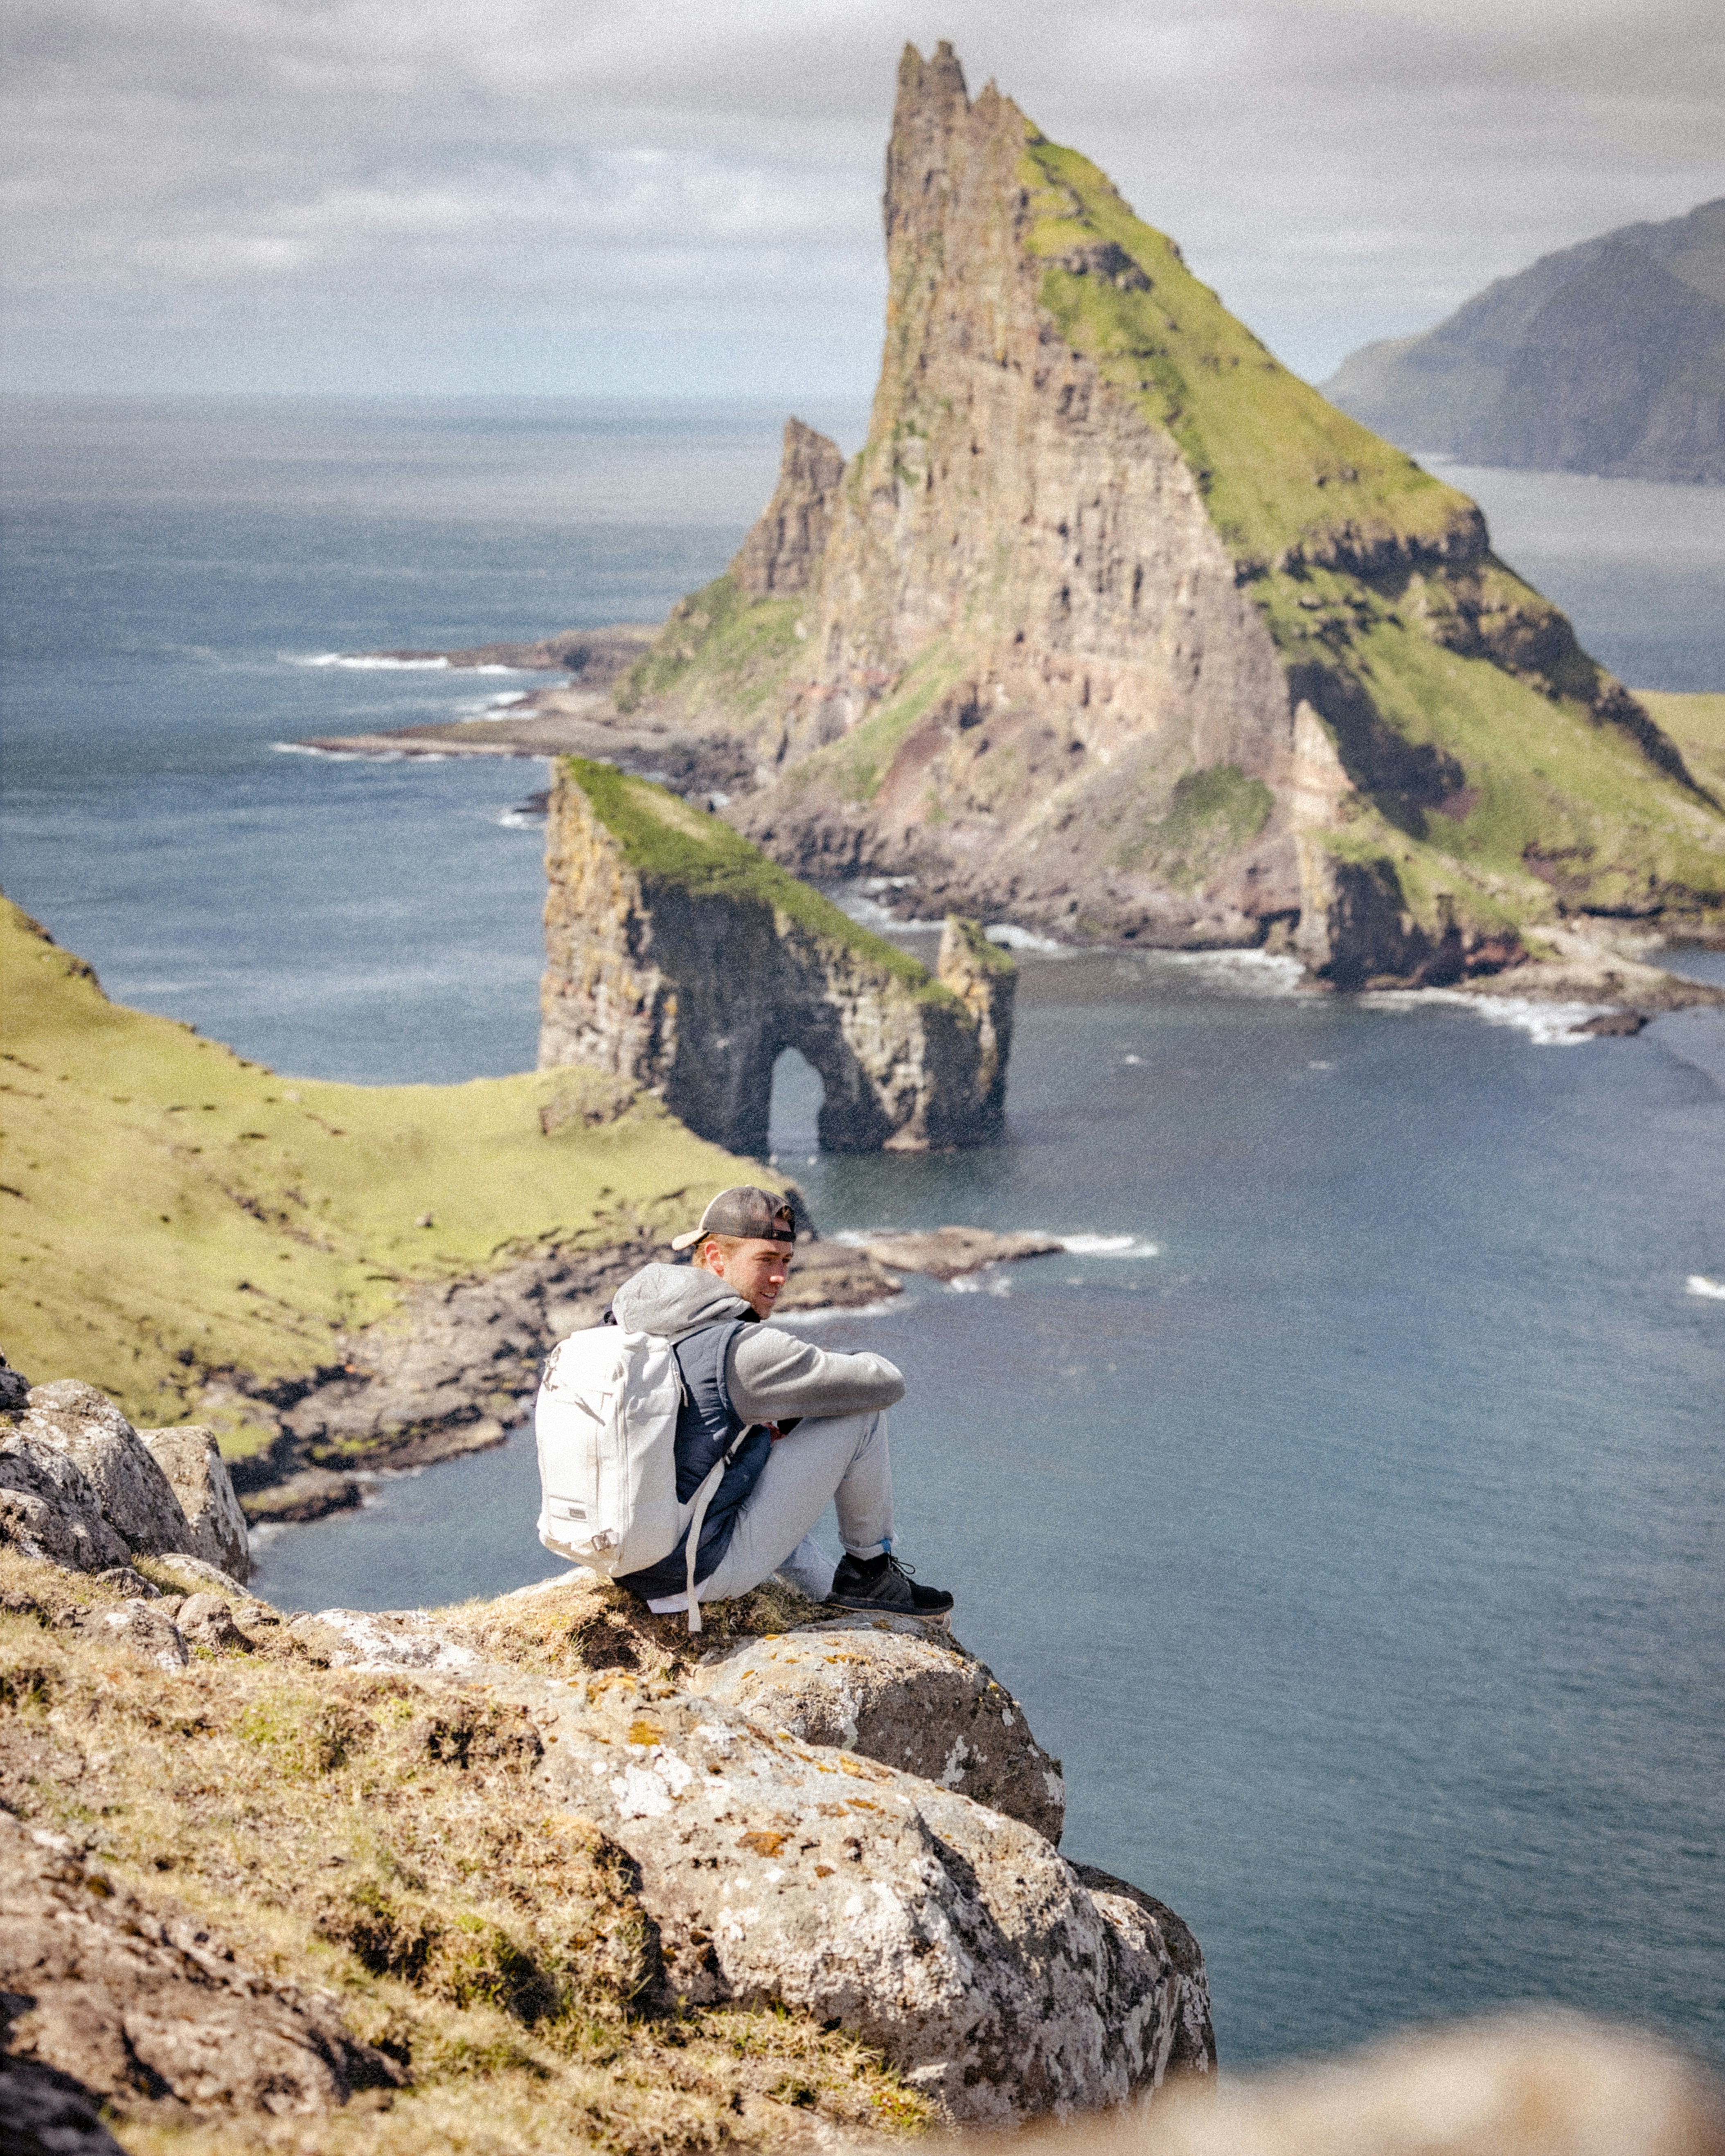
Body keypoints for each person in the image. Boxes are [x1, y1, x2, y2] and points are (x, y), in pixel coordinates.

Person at [608, 1185, 954, 1620]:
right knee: (860, 1413)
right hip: (693, 1572)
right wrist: (833, 1376)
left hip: (629, 1556)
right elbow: (886, 1383)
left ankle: (832, 1596)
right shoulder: (741, 1350)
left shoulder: (628, 1324)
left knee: (758, 1446)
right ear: (715, 1258)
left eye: (786, 1261)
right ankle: (870, 1571)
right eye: (765, 1260)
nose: (780, 1277)